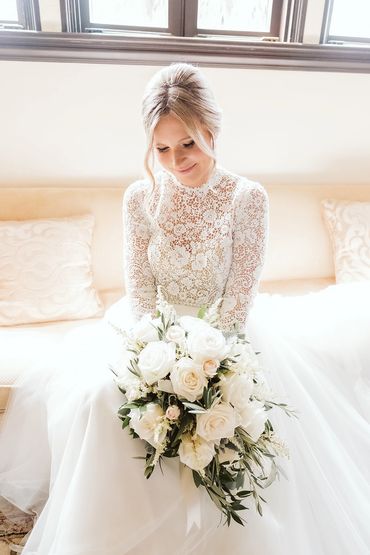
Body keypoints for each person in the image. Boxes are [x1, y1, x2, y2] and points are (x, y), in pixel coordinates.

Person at [0, 62, 369, 555]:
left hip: (225, 336)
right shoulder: (141, 198)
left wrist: (208, 362)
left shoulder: (246, 197)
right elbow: (141, 291)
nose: (176, 160)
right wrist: (161, 362)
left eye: (188, 144)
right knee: (102, 400)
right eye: (163, 148)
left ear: (210, 131)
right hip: (151, 333)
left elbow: (241, 293)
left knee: (233, 424)